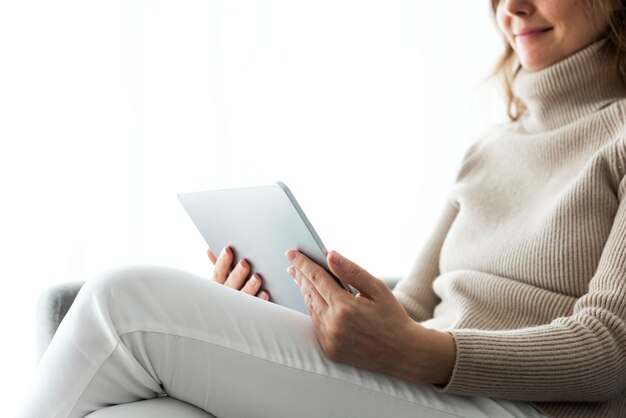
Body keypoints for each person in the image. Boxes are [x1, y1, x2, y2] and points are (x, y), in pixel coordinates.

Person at [21, 0, 626, 417]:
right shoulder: (490, 149)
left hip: (526, 407)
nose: (511, 7)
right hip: (428, 386)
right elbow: (411, 310)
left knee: (122, 302)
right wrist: (278, 311)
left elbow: (609, 350)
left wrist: (423, 353)